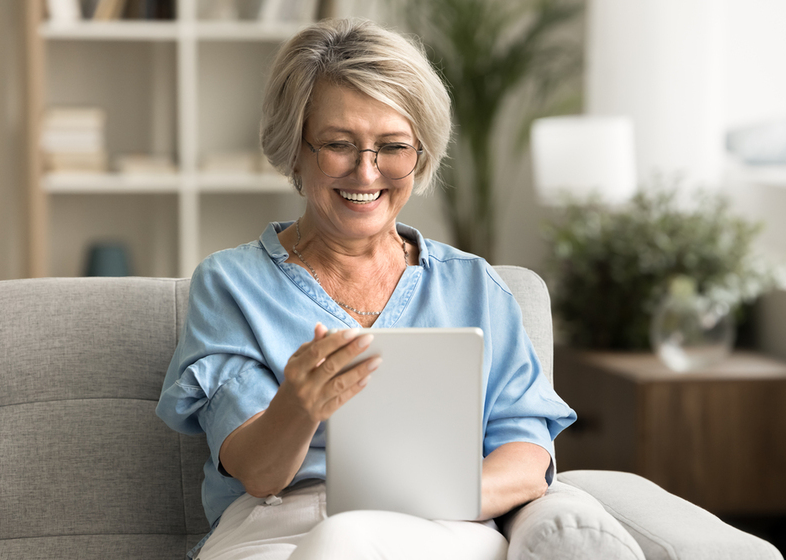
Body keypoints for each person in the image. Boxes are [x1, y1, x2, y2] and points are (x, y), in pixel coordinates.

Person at [156, 17, 576, 560]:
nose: (366, 172)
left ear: (420, 155)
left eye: (393, 146)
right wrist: (299, 406)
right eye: (338, 144)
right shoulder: (232, 284)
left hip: (444, 523)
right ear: (296, 151)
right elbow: (259, 474)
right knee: (338, 538)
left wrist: (429, 501)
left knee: (349, 538)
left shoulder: (474, 286)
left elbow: (526, 459)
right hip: (277, 526)